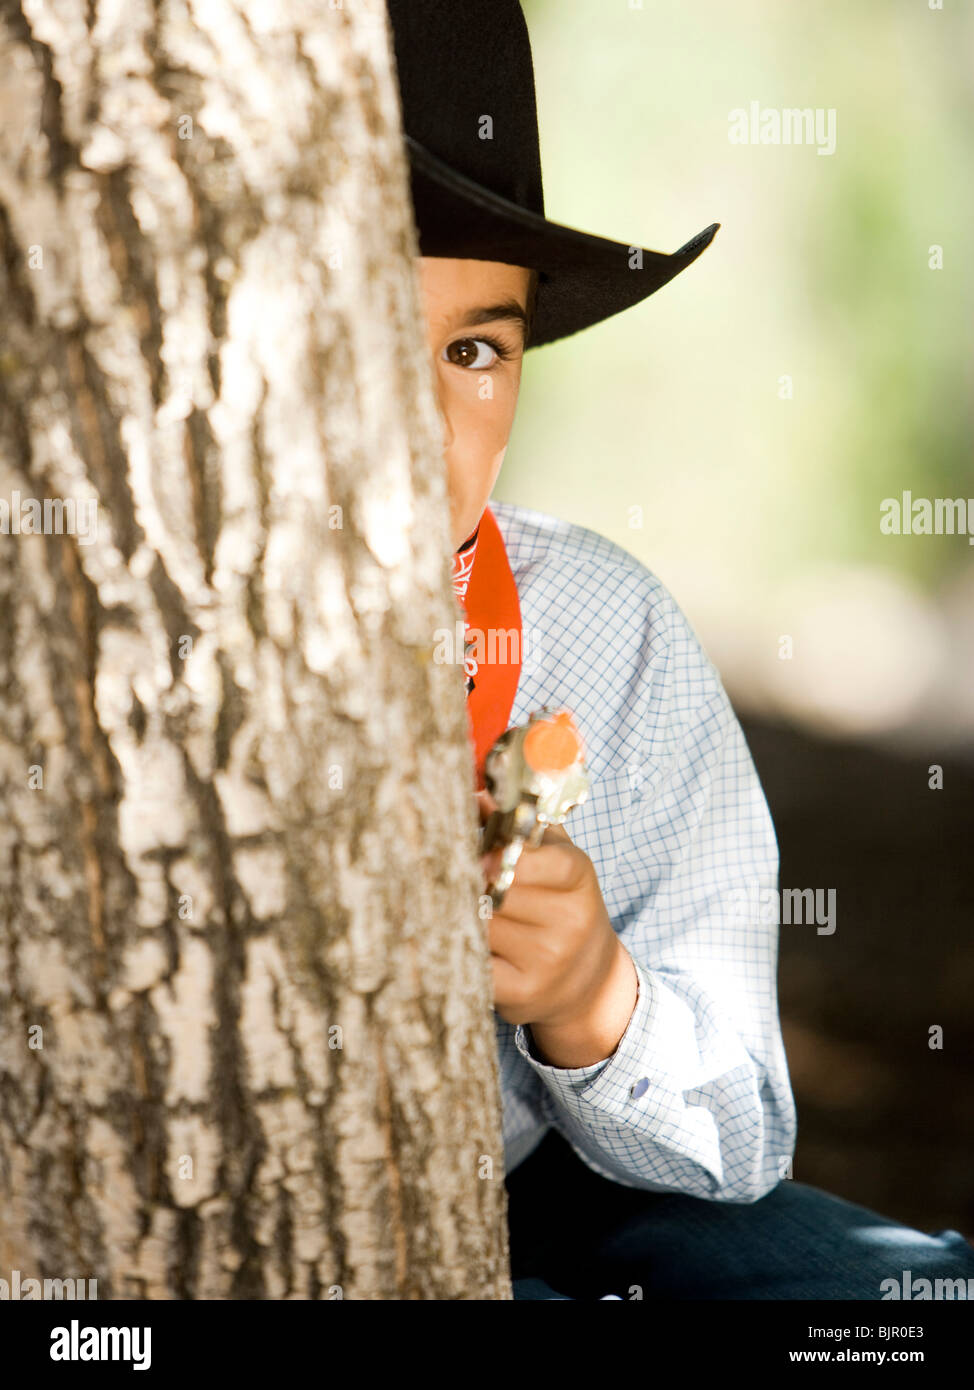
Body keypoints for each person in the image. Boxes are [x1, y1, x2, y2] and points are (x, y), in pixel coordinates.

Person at [387, 0, 974, 1300]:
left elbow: (741, 1129)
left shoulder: (599, 629)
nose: (421, 418)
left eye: (474, 349)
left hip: (520, 1196)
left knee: (894, 1294)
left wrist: (592, 998)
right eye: (352, 337)